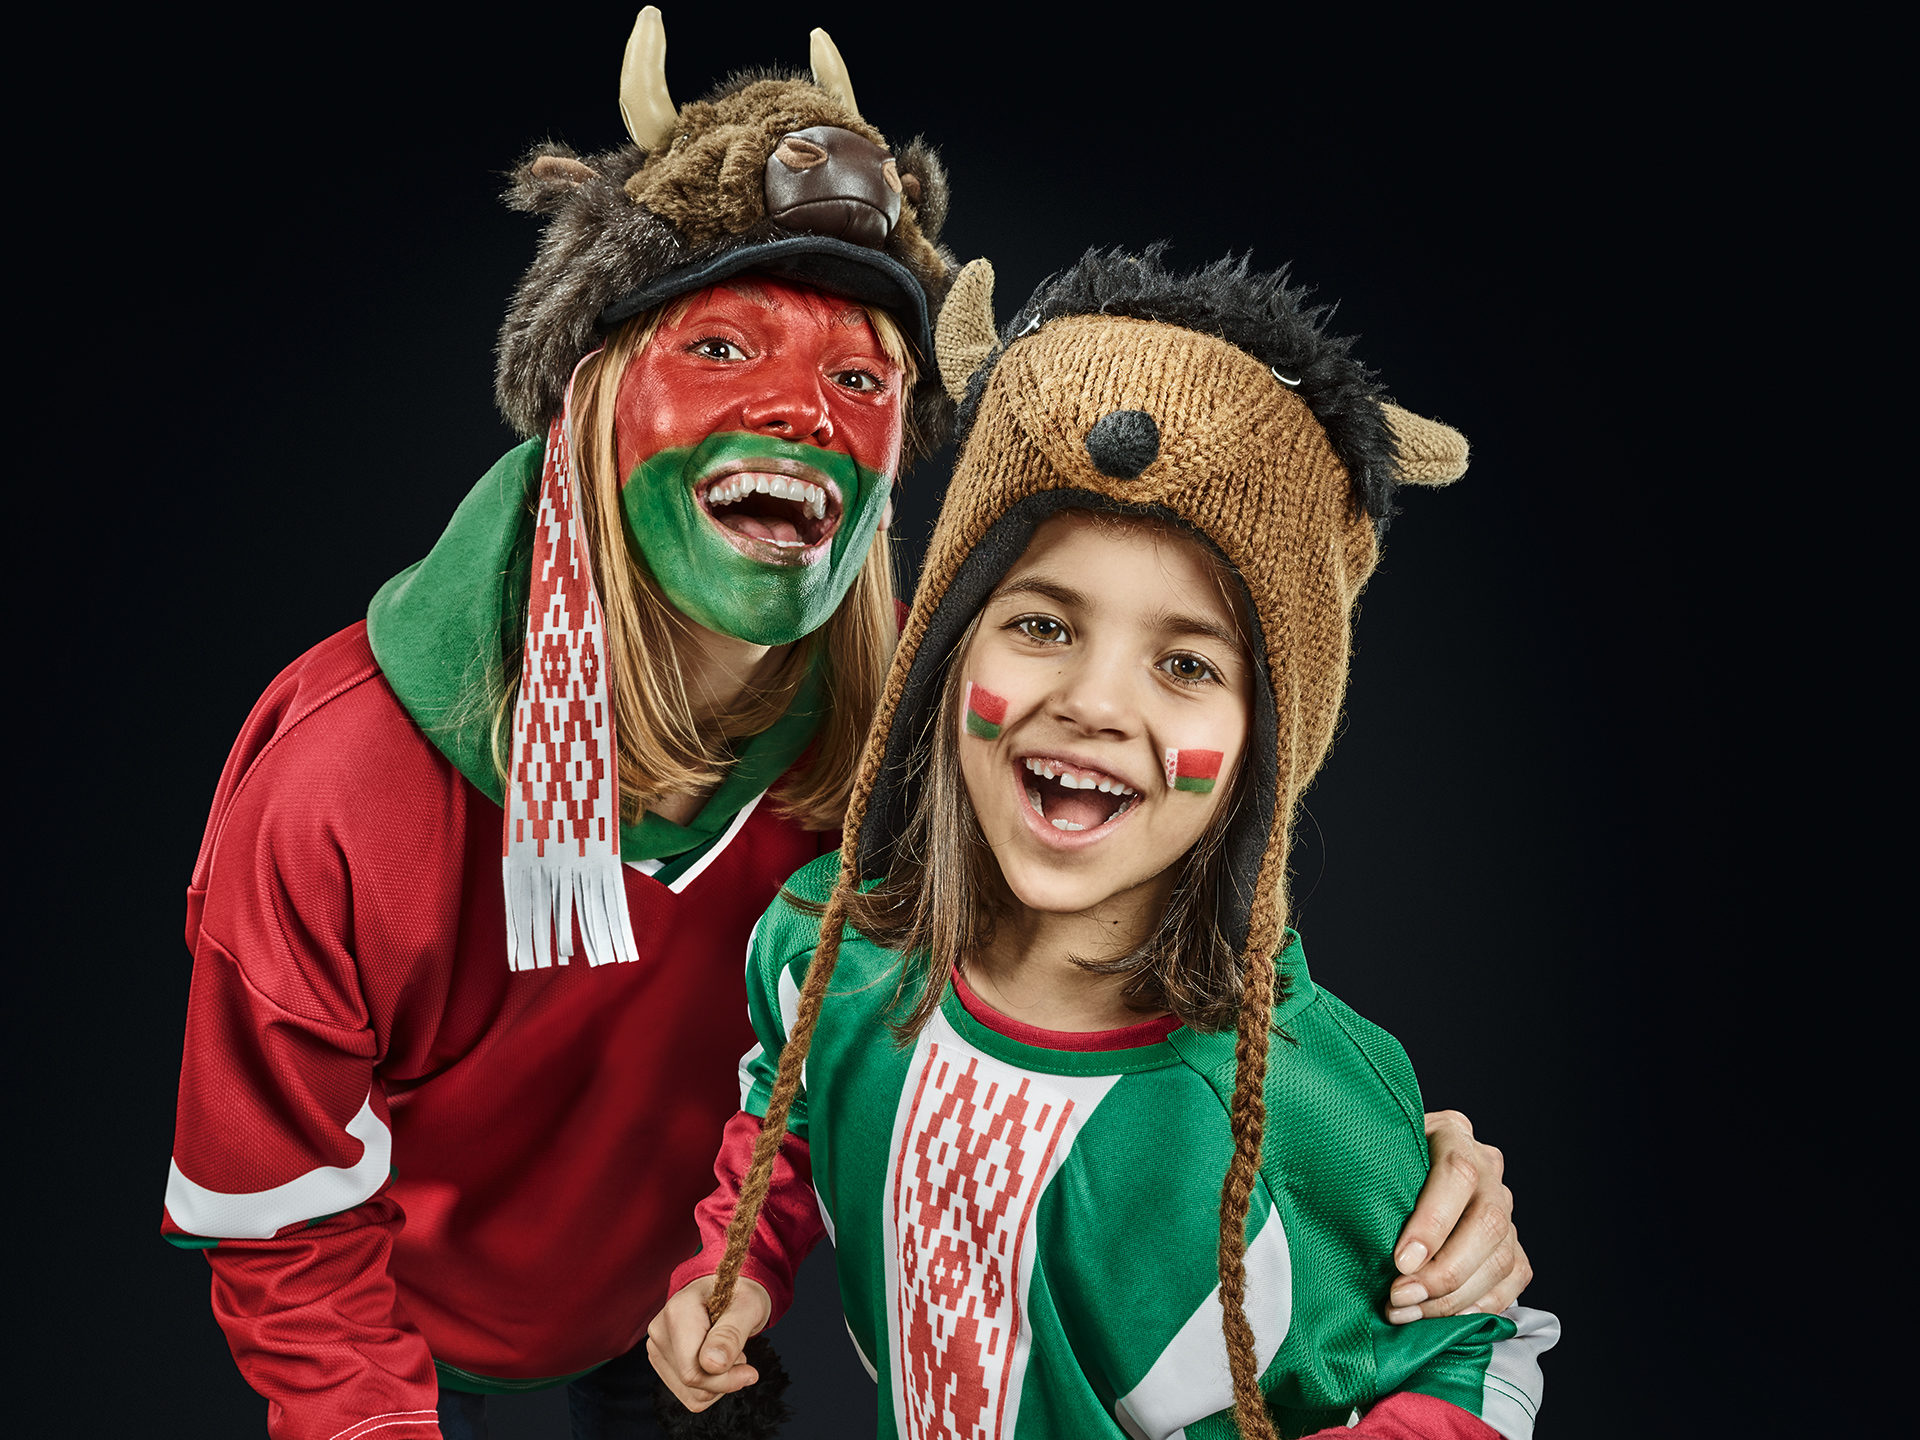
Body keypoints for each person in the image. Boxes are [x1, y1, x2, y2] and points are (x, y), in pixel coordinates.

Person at [163, 13, 1528, 1440]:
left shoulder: (909, 755)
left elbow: (1151, 969)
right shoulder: (342, 782)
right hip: (407, 1339)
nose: (797, 412)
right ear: (590, 400)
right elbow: (288, 1233)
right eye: (722, 343)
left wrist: (1403, 1178)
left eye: (861, 379)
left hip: (685, 1348)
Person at [647, 250, 1559, 1440]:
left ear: (1265, 745)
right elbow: (790, 1098)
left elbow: (1474, 1361)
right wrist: (734, 1267)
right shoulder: (826, 946)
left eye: (1186, 664)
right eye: (1040, 624)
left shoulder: (1298, 1103)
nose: (1093, 702)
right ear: (947, 653)